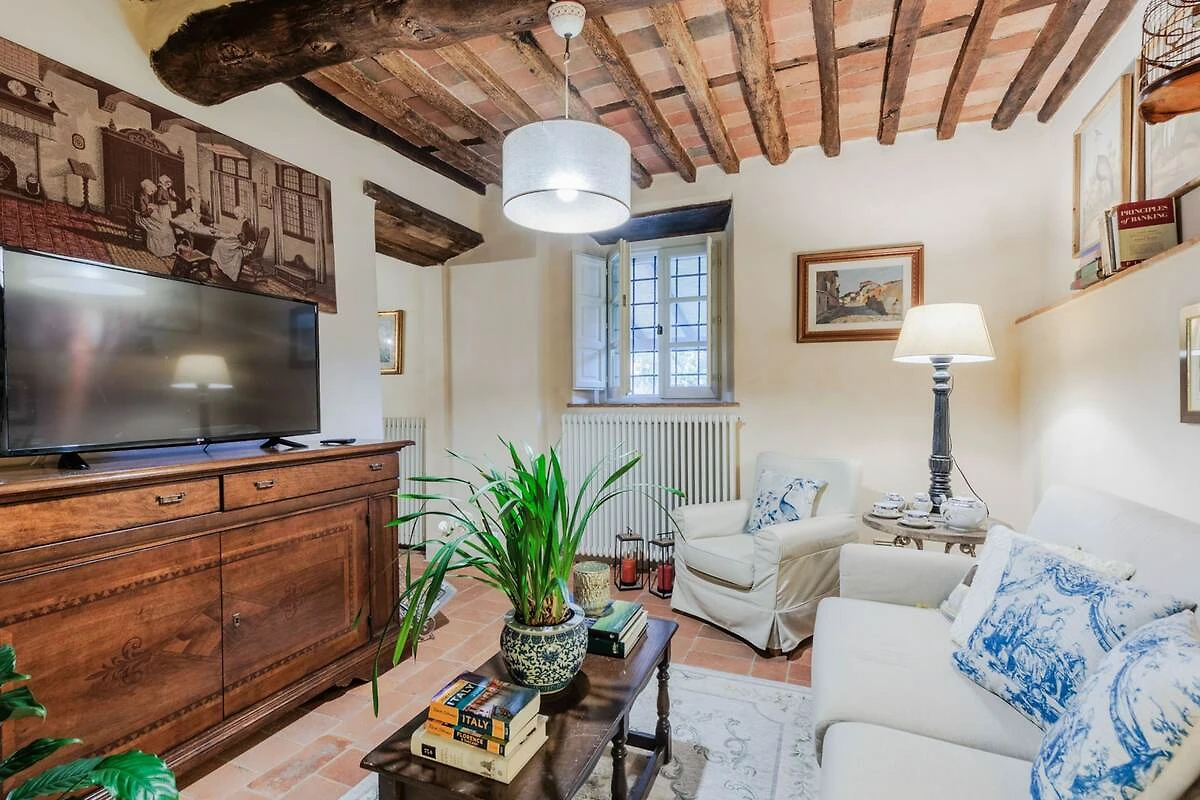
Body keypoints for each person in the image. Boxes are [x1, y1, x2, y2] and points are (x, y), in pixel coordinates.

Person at [210, 206, 256, 281]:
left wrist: (237, 235)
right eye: (236, 214)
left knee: (221, 245)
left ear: (242, 213)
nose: (237, 216)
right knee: (221, 243)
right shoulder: (243, 222)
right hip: (243, 243)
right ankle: (222, 266)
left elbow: (244, 241)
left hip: (246, 247)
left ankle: (226, 269)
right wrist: (234, 235)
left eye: (238, 214)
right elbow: (238, 234)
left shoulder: (246, 224)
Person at [134, 178, 176, 257]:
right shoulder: (141, 197)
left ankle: (168, 249)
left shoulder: (144, 194)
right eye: (151, 191)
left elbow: (146, 205)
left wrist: (151, 206)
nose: (152, 193)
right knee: (160, 229)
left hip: (145, 215)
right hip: (142, 218)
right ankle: (160, 250)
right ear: (146, 188)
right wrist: (152, 209)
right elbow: (143, 213)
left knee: (164, 225)